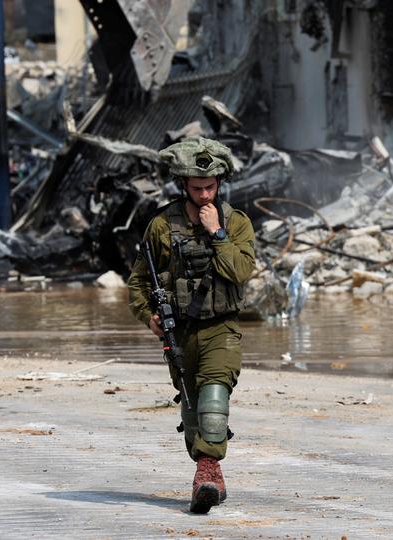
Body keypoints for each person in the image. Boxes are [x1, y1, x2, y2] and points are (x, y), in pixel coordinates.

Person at [127, 137, 255, 514]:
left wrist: (217, 233)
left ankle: (206, 471)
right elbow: (139, 282)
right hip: (180, 330)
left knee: (215, 400)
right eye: (197, 188)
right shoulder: (162, 226)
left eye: (210, 187)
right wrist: (147, 315)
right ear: (183, 185)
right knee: (193, 409)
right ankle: (210, 472)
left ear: (220, 184)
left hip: (221, 329)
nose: (204, 194)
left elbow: (241, 271)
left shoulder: (236, 223)